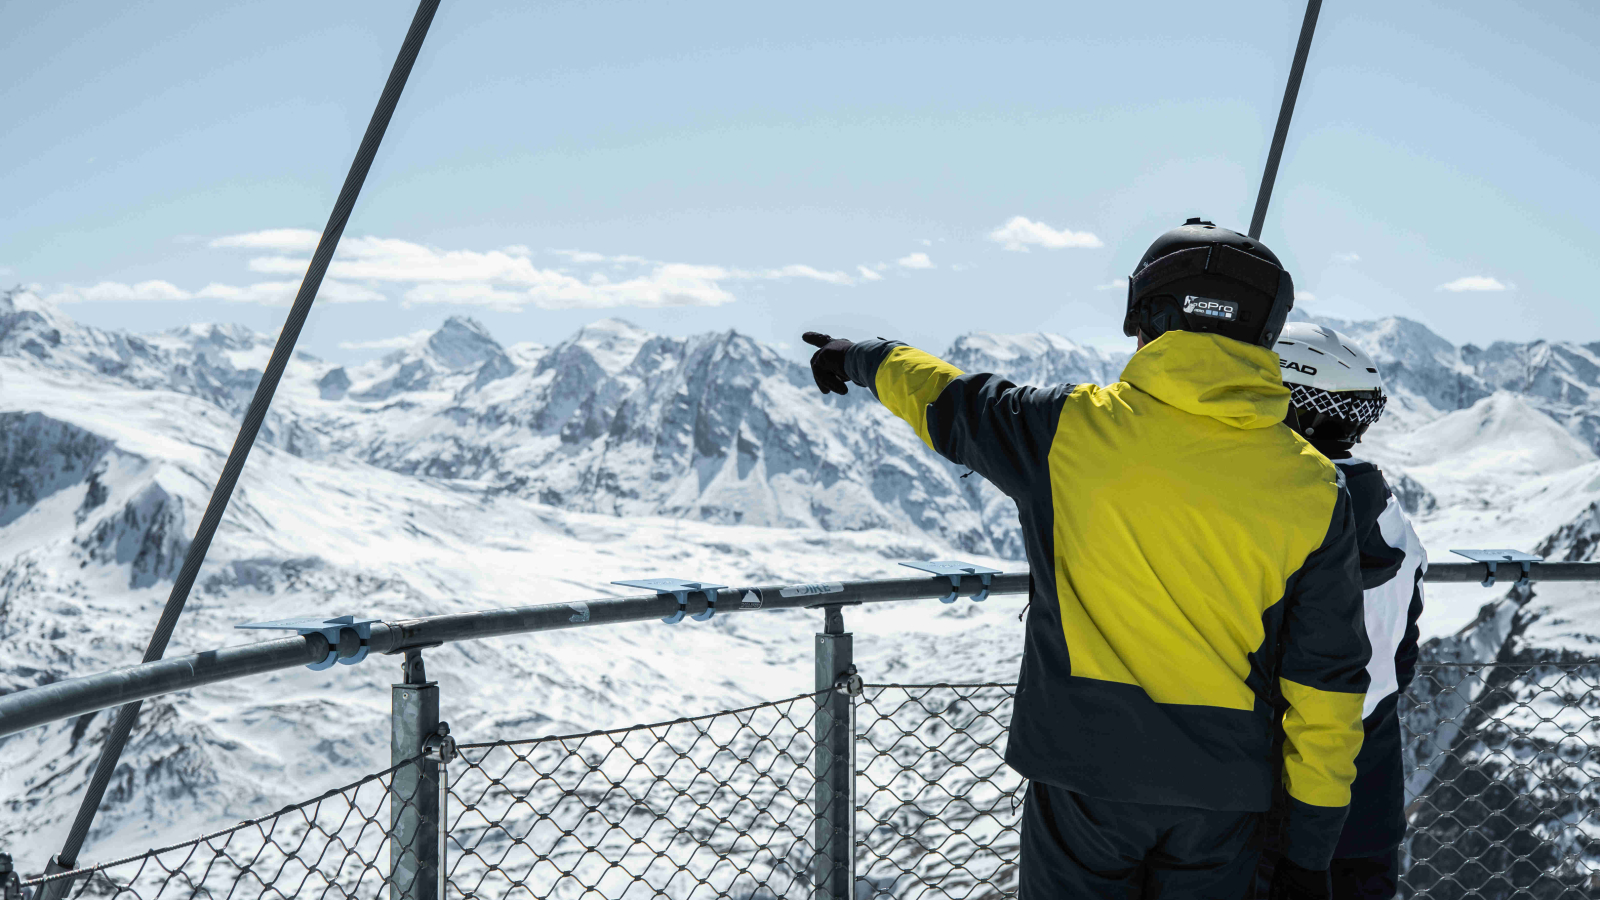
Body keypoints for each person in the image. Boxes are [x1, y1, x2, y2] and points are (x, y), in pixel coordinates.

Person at [803, 218, 1371, 900]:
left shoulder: (1064, 428)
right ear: (1268, 333)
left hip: (1083, 777)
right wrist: (1310, 852)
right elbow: (1327, 685)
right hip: (1223, 795)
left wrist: (860, 355)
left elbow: (947, 399)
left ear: (1143, 318)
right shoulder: (1313, 486)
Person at [1258, 322, 1427, 900]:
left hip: (1273, 803)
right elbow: (1401, 658)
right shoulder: (1393, 520)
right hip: (1370, 793)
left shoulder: (1270, 513)